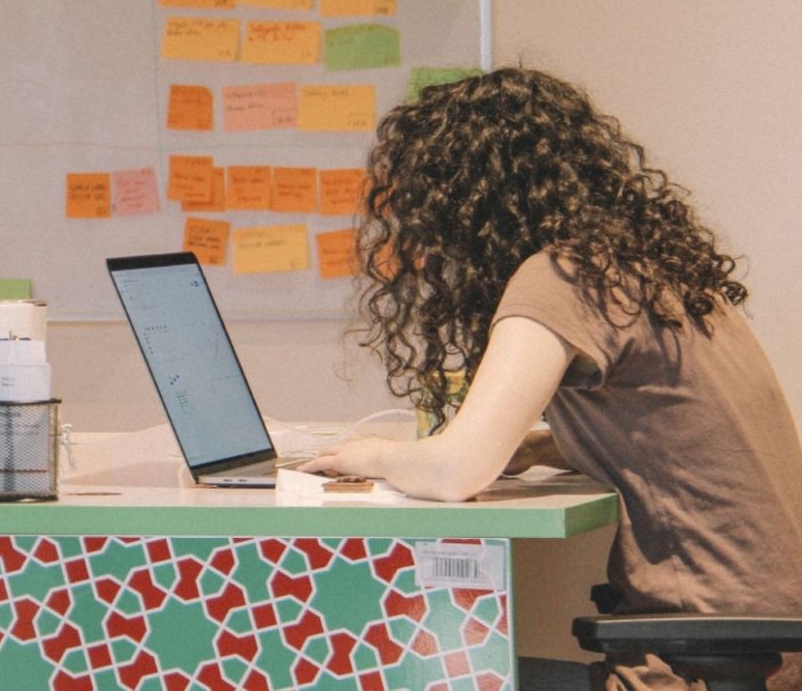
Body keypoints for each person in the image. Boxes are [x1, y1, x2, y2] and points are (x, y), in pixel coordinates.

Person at [303, 67, 802, 691]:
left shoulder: (563, 276)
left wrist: (368, 456)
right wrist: (539, 445)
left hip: (696, 657)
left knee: (405, 674)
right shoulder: (656, 267)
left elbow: (456, 472)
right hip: (771, 638)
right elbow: (672, 432)